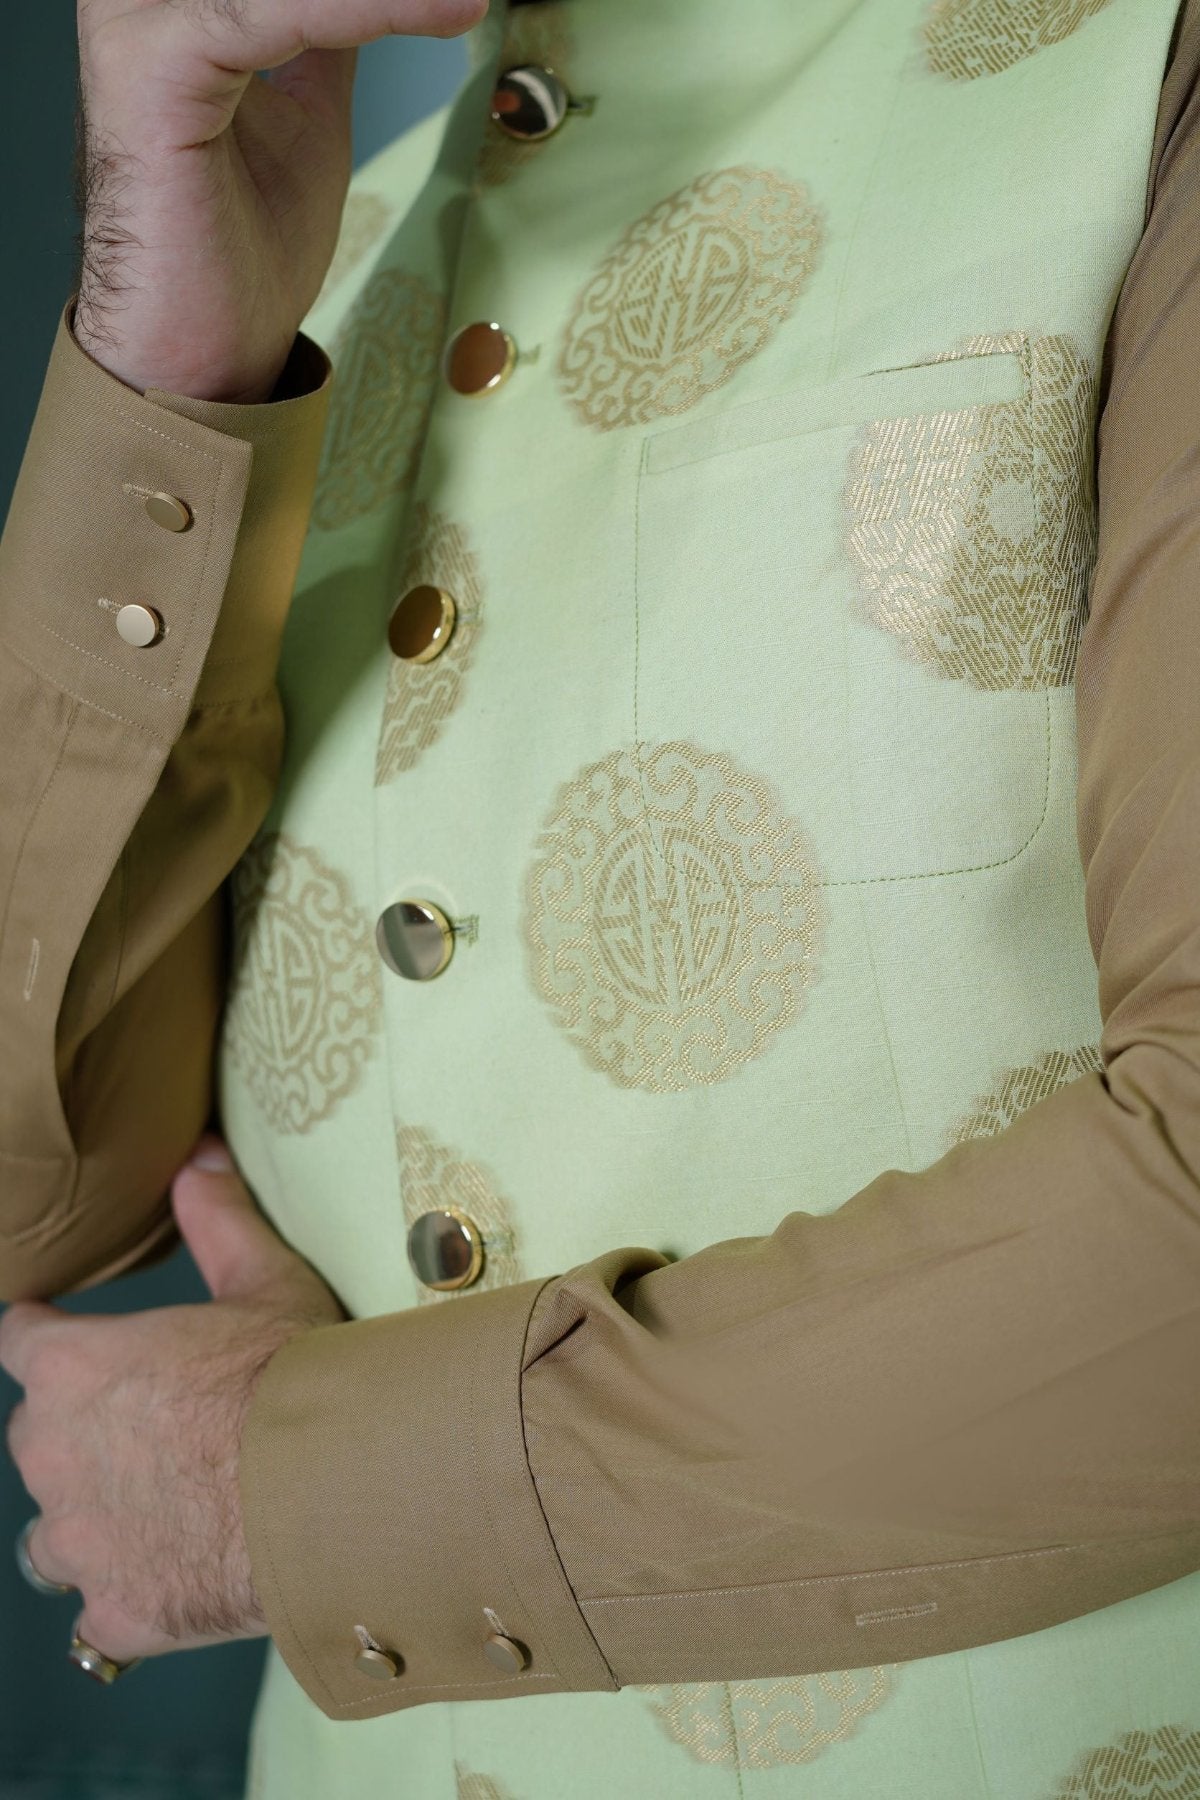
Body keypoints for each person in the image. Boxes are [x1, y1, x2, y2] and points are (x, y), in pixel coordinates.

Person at [1, 0, 1199, 1793]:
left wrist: (278, 1495)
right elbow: (41, 1201)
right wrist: (162, 375)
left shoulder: (1137, 91)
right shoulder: (318, 256)